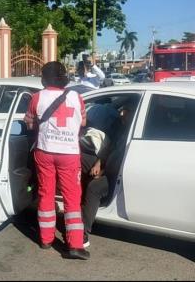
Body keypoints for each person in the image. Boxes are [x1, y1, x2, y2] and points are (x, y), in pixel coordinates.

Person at [24, 61, 90, 260]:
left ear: (44, 78)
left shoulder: (37, 97)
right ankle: (75, 245)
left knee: (46, 194)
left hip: (44, 151)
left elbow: (28, 124)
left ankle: (45, 240)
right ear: (63, 79)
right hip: (69, 154)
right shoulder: (76, 97)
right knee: (72, 199)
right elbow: (84, 123)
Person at [80, 98, 138, 247]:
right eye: (123, 110)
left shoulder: (132, 132)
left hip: (114, 173)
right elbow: (110, 148)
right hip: (108, 165)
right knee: (76, 157)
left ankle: (82, 234)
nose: (122, 113)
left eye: (127, 111)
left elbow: (118, 164)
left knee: (94, 187)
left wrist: (102, 170)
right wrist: (99, 162)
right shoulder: (123, 128)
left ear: (133, 113)